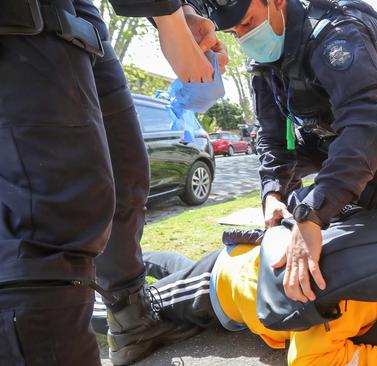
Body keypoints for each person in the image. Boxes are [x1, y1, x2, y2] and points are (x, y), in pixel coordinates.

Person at [185, 0, 377, 304]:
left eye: (248, 23)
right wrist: (273, 194)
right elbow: (273, 138)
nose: (244, 37)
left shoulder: (338, 34)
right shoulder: (264, 64)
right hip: (341, 140)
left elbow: (369, 126)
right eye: (234, 32)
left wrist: (312, 215)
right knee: (314, 228)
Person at [0, 0, 226, 365]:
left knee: (125, 175)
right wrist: (167, 16)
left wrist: (177, 12)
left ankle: (133, 322)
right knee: (56, 208)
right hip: (21, 19)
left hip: (79, 15)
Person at [92, 233, 377, 366]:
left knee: (174, 272)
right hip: (227, 285)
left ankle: (143, 259)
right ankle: (80, 278)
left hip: (246, 298)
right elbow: (309, 359)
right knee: (134, 314)